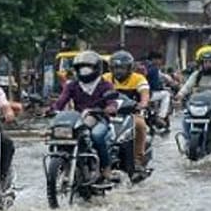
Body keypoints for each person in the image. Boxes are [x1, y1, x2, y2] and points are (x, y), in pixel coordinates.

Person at [49, 50, 122, 179]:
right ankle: (63, 166)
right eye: (81, 68)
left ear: (96, 68)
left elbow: (112, 101)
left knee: (97, 136)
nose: (84, 71)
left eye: (88, 68)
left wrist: (111, 107)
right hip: (78, 119)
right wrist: (51, 109)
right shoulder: (72, 85)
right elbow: (62, 100)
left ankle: (106, 168)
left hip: (99, 118)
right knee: (58, 136)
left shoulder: (105, 85)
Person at [107, 51, 151, 180]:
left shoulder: (138, 78)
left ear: (130, 68)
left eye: (122, 68)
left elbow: (144, 94)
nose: (118, 71)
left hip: (132, 114)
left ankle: (137, 160)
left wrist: (143, 104)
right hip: (108, 114)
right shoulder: (105, 78)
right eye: (115, 68)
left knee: (140, 126)